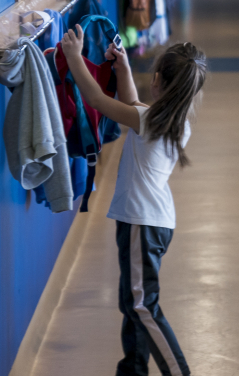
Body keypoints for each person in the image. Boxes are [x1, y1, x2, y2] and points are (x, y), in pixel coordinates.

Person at [61, 26, 208, 376]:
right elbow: (131, 104)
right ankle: (133, 369)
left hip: (142, 223)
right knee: (132, 302)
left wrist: (72, 56)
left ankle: (178, 371)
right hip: (147, 221)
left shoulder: (150, 120)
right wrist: (123, 68)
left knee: (142, 305)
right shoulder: (173, 120)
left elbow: (97, 100)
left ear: (156, 79)